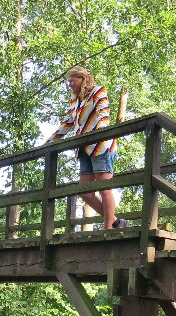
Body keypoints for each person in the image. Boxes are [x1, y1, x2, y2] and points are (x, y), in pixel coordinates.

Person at [48, 66, 126, 230]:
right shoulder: (75, 100)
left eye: (72, 80)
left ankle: (108, 229)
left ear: (82, 78)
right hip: (83, 148)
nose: (69, 84)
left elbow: (103, 116)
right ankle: (116, 221)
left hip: (101, 146)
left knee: (103, 188)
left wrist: (100, 132)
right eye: (68, 81)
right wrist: (51, 140)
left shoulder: (98, 92)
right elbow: (69, 122)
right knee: (85, 192)